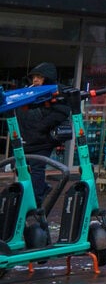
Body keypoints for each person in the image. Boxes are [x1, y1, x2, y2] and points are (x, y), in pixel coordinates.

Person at [17, 62, 71, 206]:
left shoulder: (55, 93)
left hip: (42, 139)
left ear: (47, 78)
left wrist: (42, 126)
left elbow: (61, 112)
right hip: (26, 138)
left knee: (36, 169)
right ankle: (36, 192)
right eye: (34, 77)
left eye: (39, 77)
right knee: (23, 169)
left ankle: (35, 200)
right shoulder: (27, 91)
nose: (35, 80)